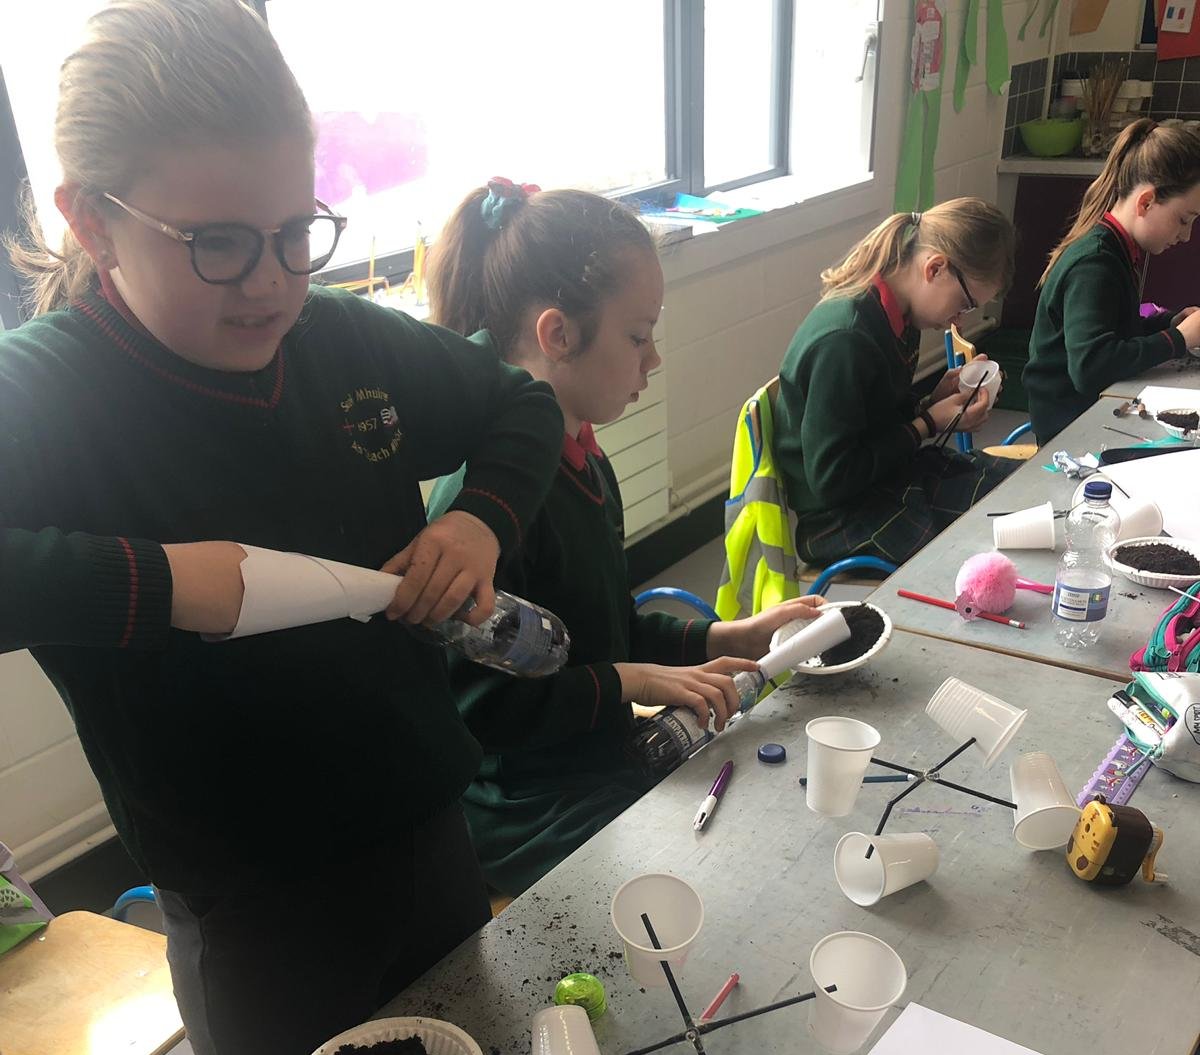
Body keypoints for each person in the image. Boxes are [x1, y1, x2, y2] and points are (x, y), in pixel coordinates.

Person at [0, 0, 562, 1055]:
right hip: (254, 908)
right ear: (94, 221)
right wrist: (161, 587)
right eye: (216, 242)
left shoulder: (336, 340)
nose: (269, 283)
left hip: (423, 826)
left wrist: (478, 523)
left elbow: (522, 408)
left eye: (296, 232)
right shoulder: (48, 390)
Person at [426, 181, 826, 897]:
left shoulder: (584, 457)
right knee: (720, 871)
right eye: (638, 337)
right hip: (526, 808)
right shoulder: (481, 510)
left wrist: (728, 635)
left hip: (595, 763)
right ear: (557, 335)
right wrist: (630, 682)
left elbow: (603, 630)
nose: (654, 360)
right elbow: (480, 712)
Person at [773, 199, 1017, 569]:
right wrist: (928, 423)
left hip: (883, 481)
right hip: (838, 517)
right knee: (977, 541)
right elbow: (833, 479)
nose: (959, 321)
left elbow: (876, 419)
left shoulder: (901, 316)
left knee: (1007, 486)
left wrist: (929, 402)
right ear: (935, 268)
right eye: (964, 304)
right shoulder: (845, 339)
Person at [1025, 118, 1200, 442]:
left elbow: (1113, 329)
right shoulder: (1094, 263)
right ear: (1146, 202)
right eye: (1183, 219)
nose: (1186, 235)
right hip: (1070, 432)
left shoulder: (1116, 248)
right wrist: (1179, 338)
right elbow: (1092, 367)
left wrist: (1169, 323)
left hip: (1090, 414)